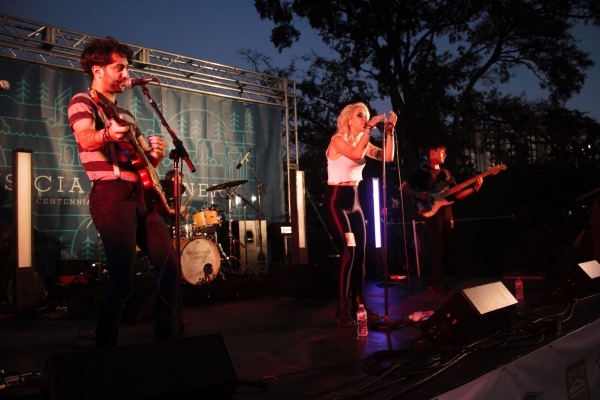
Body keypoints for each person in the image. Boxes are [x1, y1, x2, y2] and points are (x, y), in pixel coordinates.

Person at [68, 37, 177, 347]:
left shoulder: (126, 114)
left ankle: (166, 341)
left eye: (127, 68)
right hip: (111, 195)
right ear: (97, 69)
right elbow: (86, 138)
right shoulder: (83, 101)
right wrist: (106, 133)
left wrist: (156, 153)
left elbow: (146, 161)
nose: (126, 74)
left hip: (143, 196)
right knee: (123, 281)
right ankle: (105, 350)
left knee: (169, 268)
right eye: (120, 67)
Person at [323, 102, 397, 327]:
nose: (365, 118)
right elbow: (355, 154)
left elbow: (388, 157)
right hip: (336, 201)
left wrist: (390, 132)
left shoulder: (363, 142)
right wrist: (369, 129)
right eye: (360, 115)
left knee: (360, 256)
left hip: (354, 201)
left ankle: (359, 305)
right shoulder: (338, 141)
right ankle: (341, 308)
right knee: (348, 251)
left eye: (366, 115)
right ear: (348, 120)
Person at [400, 144, 482, 295]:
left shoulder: (447, 173)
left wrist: (475, 188)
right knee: (439, 246)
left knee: (447, 247)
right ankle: (436, 282)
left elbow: (456, 194)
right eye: (442, 152)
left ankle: (436, 280)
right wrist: (418, 195)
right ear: (432, 153)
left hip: (447, 212)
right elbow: (403, 187)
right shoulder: (421, 172)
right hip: (431, 212)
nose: (445, 155)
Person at [160, 170, 190, 237]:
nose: (180, 183)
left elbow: (173, 212)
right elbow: (162, 210)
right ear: (171, 179)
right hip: (163, 227)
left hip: (172, 228)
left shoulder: (174, 194)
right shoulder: (163, 193)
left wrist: (181, 217)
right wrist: (178, 210)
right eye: (178, 180)